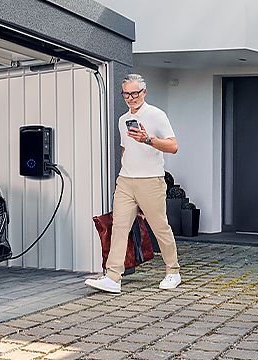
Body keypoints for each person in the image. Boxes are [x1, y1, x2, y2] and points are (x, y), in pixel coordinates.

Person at [85, 73, 181, 294]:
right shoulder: (122, 120)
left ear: (144, 93)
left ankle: (173, 271)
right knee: (119, 227)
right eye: (127, 94)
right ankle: (112, 277)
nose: (131, 97)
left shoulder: (156, 115)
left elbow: (174, 146)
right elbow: (125, 149)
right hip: (126, 181)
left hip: (150, 180)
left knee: (160, 227)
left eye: (135, 93)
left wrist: (148, 139)